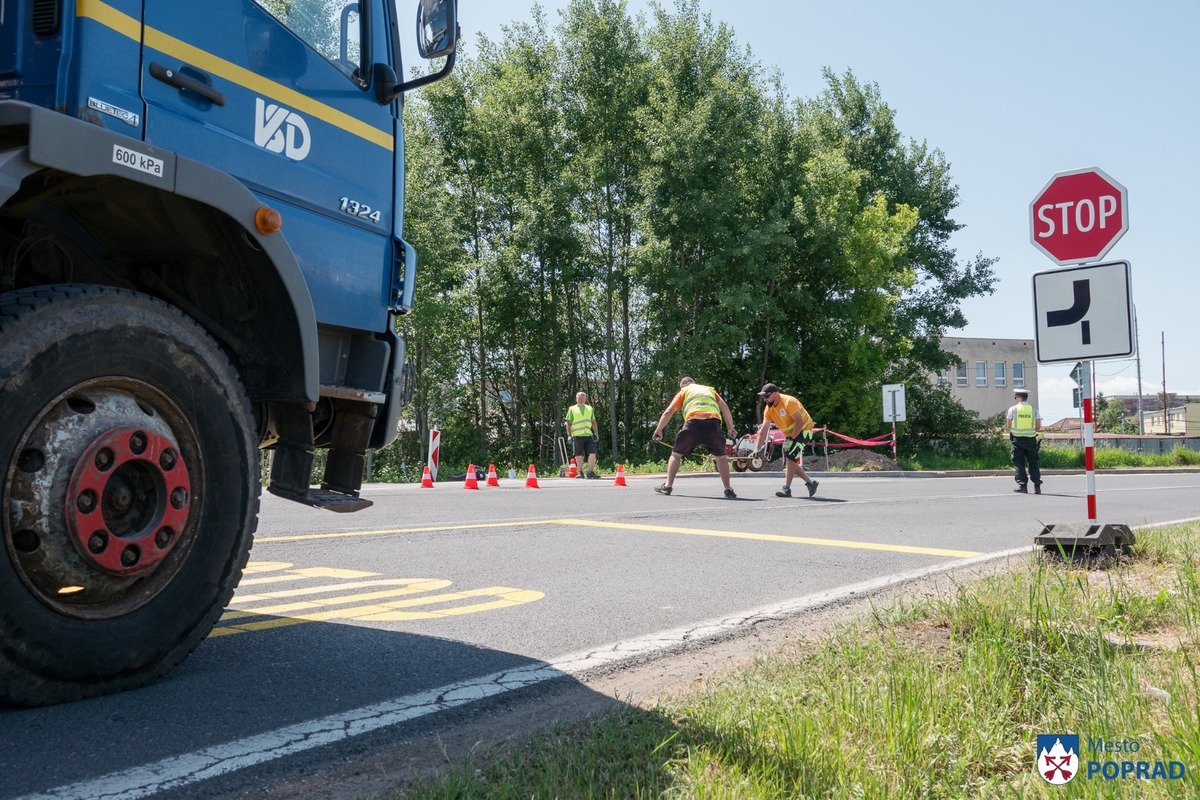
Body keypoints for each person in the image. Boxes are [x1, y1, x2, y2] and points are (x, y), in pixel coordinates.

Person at [651, 377, 738, 498]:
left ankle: (668, 486)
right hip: (713, 424)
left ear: (683, 386)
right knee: (721, 457)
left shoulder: (684, 391)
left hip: (693, 424)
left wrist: (659, 429)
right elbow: (724, 407)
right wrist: (730, 427)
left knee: (676, 455)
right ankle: (728, 490)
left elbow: (669, 411)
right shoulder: (710, 390)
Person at [753, 383, 819, 498]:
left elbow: (799, 422)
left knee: (789, 458)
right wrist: (757, 448)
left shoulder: (789, 402)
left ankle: (786, 489)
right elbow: (763, 430)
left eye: (766, 396)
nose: (765, 399)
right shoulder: (769, 409)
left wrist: (791, 439)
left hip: (803, 430)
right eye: (763, 397)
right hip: (791, 435)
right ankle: (811, 483)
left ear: (775, 394)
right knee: (789, 462)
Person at [1006, 389, 1042, 493]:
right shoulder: (1034, 410)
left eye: (1015, 397)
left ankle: (1023, 486)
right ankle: (1037, 486)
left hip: (1017, 440)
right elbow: (1038, 426)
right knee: (1033, 463)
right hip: (1031, 440)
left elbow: (1008, 425)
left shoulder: (1013, 409)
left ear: (1019, 397)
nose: (1015, 400)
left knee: (1019, 463)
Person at [564, 391, 600, 479]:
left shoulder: (589, 408)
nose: (580, 400)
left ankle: (590, 472)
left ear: (585, 399)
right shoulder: (572, 409)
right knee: (578, 454)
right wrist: (569, 435)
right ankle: (581, 472)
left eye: (582, 398)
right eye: (579, 398)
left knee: (592, 452)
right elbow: (568, 423)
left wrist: (596, 433)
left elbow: (593, 421)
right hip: (577, 435)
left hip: (588, 434)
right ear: (576, 399)